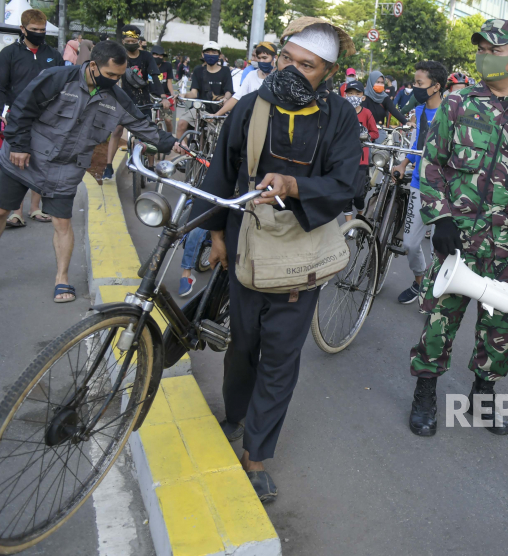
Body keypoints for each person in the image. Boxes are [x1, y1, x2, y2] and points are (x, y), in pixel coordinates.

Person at [186, 17, 362, 502]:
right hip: (244, 245)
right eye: (287, 58)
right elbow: (221, 173)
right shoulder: (249, 107)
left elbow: (350, 183)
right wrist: (215, 233)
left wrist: (295, 185)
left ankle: (256, 454)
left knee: (280, 355)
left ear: (326, 72)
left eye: (307, 65)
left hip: (300, 257)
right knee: (242, 345)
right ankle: (236, 415)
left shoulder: (340, 117)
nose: (291, 69)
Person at [408, 19, 508, 437]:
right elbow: (433, 161)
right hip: (457, 234)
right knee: (442, 315)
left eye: (494, 49)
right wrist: (438, 218)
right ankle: (425, 392)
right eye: (481, 48)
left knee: (500, 322)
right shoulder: (459, 102)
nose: (485, 55)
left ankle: (483, 394)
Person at [0, 42, 178, 297]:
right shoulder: (58, 78)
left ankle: (62, 277)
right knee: (0, 210)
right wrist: (17, 144)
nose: (115, 81)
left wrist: (174, 144)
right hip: (26, 157)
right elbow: (23, 107)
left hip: (66, 168)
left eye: (119, 76)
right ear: (93, 66)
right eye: (111, 75)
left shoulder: (116, 97)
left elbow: (143, 126)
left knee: (62, 222)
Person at [0, 8, 64, 227]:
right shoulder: (9, 54)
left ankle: (35, 208)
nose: (39, 33)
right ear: (23, 29)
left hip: (47, 119)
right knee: (17, 163)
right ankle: (16, 211)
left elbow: (62, 85)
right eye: (34, 30)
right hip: (17, 117)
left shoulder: (53, 54)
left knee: (42, 162)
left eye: (42, 30)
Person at [391, 60, 447, 304]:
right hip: (417, 183)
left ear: (435, 87)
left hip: (443, 190)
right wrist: (403, 164)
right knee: (410, 244)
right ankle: (419, 281)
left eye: (419, 83)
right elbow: (418, 143)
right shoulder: (421, 110)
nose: (414, 88)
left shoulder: (450, 112)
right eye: (414, 83)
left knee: (441, 247)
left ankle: (437, 294)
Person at [102, 25, 168, 181]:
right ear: (123, 41)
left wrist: (163, 96)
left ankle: (151, 167)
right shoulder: (119, 56)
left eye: (133, 40)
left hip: (143, 100)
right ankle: (108, 167)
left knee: (149, 133)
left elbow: (154, 76)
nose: (130, 43)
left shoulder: (146, 57)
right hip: (123, 100)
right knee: (117, 131)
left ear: (138, 41)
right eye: (127, 40)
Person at [176, 41, 233, 138]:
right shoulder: (198, 70)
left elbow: (228, 91)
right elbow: (194, 93)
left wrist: (225, 99)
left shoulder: (225, 71)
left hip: (218, 111)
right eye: (208, 52)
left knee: (217, 138)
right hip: (200, 109)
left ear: (219, 55)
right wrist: (184, 95)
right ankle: (184, 150)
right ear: (202, 54)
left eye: (214, 53)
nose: (210, 55)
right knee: (181, 124)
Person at [343, 81, 378, 222]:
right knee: (346, 192)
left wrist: (365, 136)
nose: (353, 96)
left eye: (357, 94)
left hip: (361, 159)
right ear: (345, 95)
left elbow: (375, 133)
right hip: (344, 159)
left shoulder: (367, 113)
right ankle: (348, 227)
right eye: (350, 93)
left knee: (358, 194)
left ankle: (360, 216)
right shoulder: (343, 112)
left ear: (363, 97)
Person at [213, 42, 274, 117]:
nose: (261, 61)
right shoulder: (251, 75)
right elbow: (237, 98)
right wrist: (217, 114)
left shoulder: (280, 78)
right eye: (259, 58)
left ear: (275, 58)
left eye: (264, 58)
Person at [152, 45, 176, 133]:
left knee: (168, 120)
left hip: (165, 96)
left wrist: (172, 94)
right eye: (156, 55)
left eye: (161, 55)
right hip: (151, 95)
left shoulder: (167, 66)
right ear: (152, 55)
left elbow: (169, 81)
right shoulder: (148, 65)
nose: (158, 57)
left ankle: (169, 137)